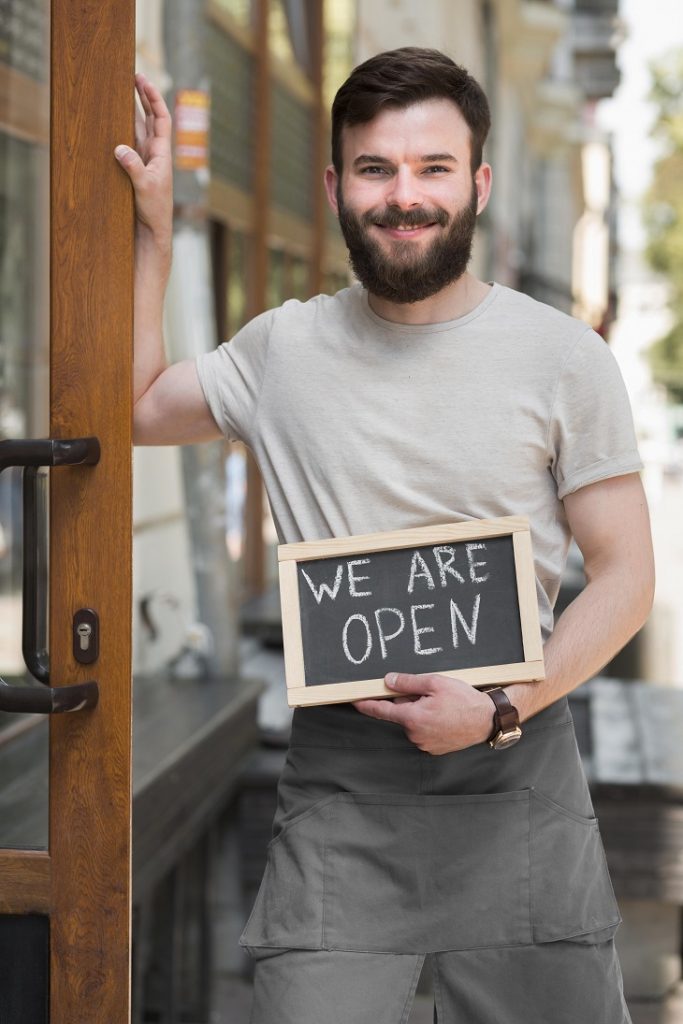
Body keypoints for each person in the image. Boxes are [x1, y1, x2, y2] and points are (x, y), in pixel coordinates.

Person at [116, 47, 654, 1024]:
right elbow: (137, 405)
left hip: (515, 781)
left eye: (431, 169)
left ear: (478, 182)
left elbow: (624, 578)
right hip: (341, 799)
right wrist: (155, 228)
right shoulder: (280, 350)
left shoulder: (562, 356)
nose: (403, 196)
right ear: (333, 186)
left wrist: (498, 705)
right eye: (375, 169)